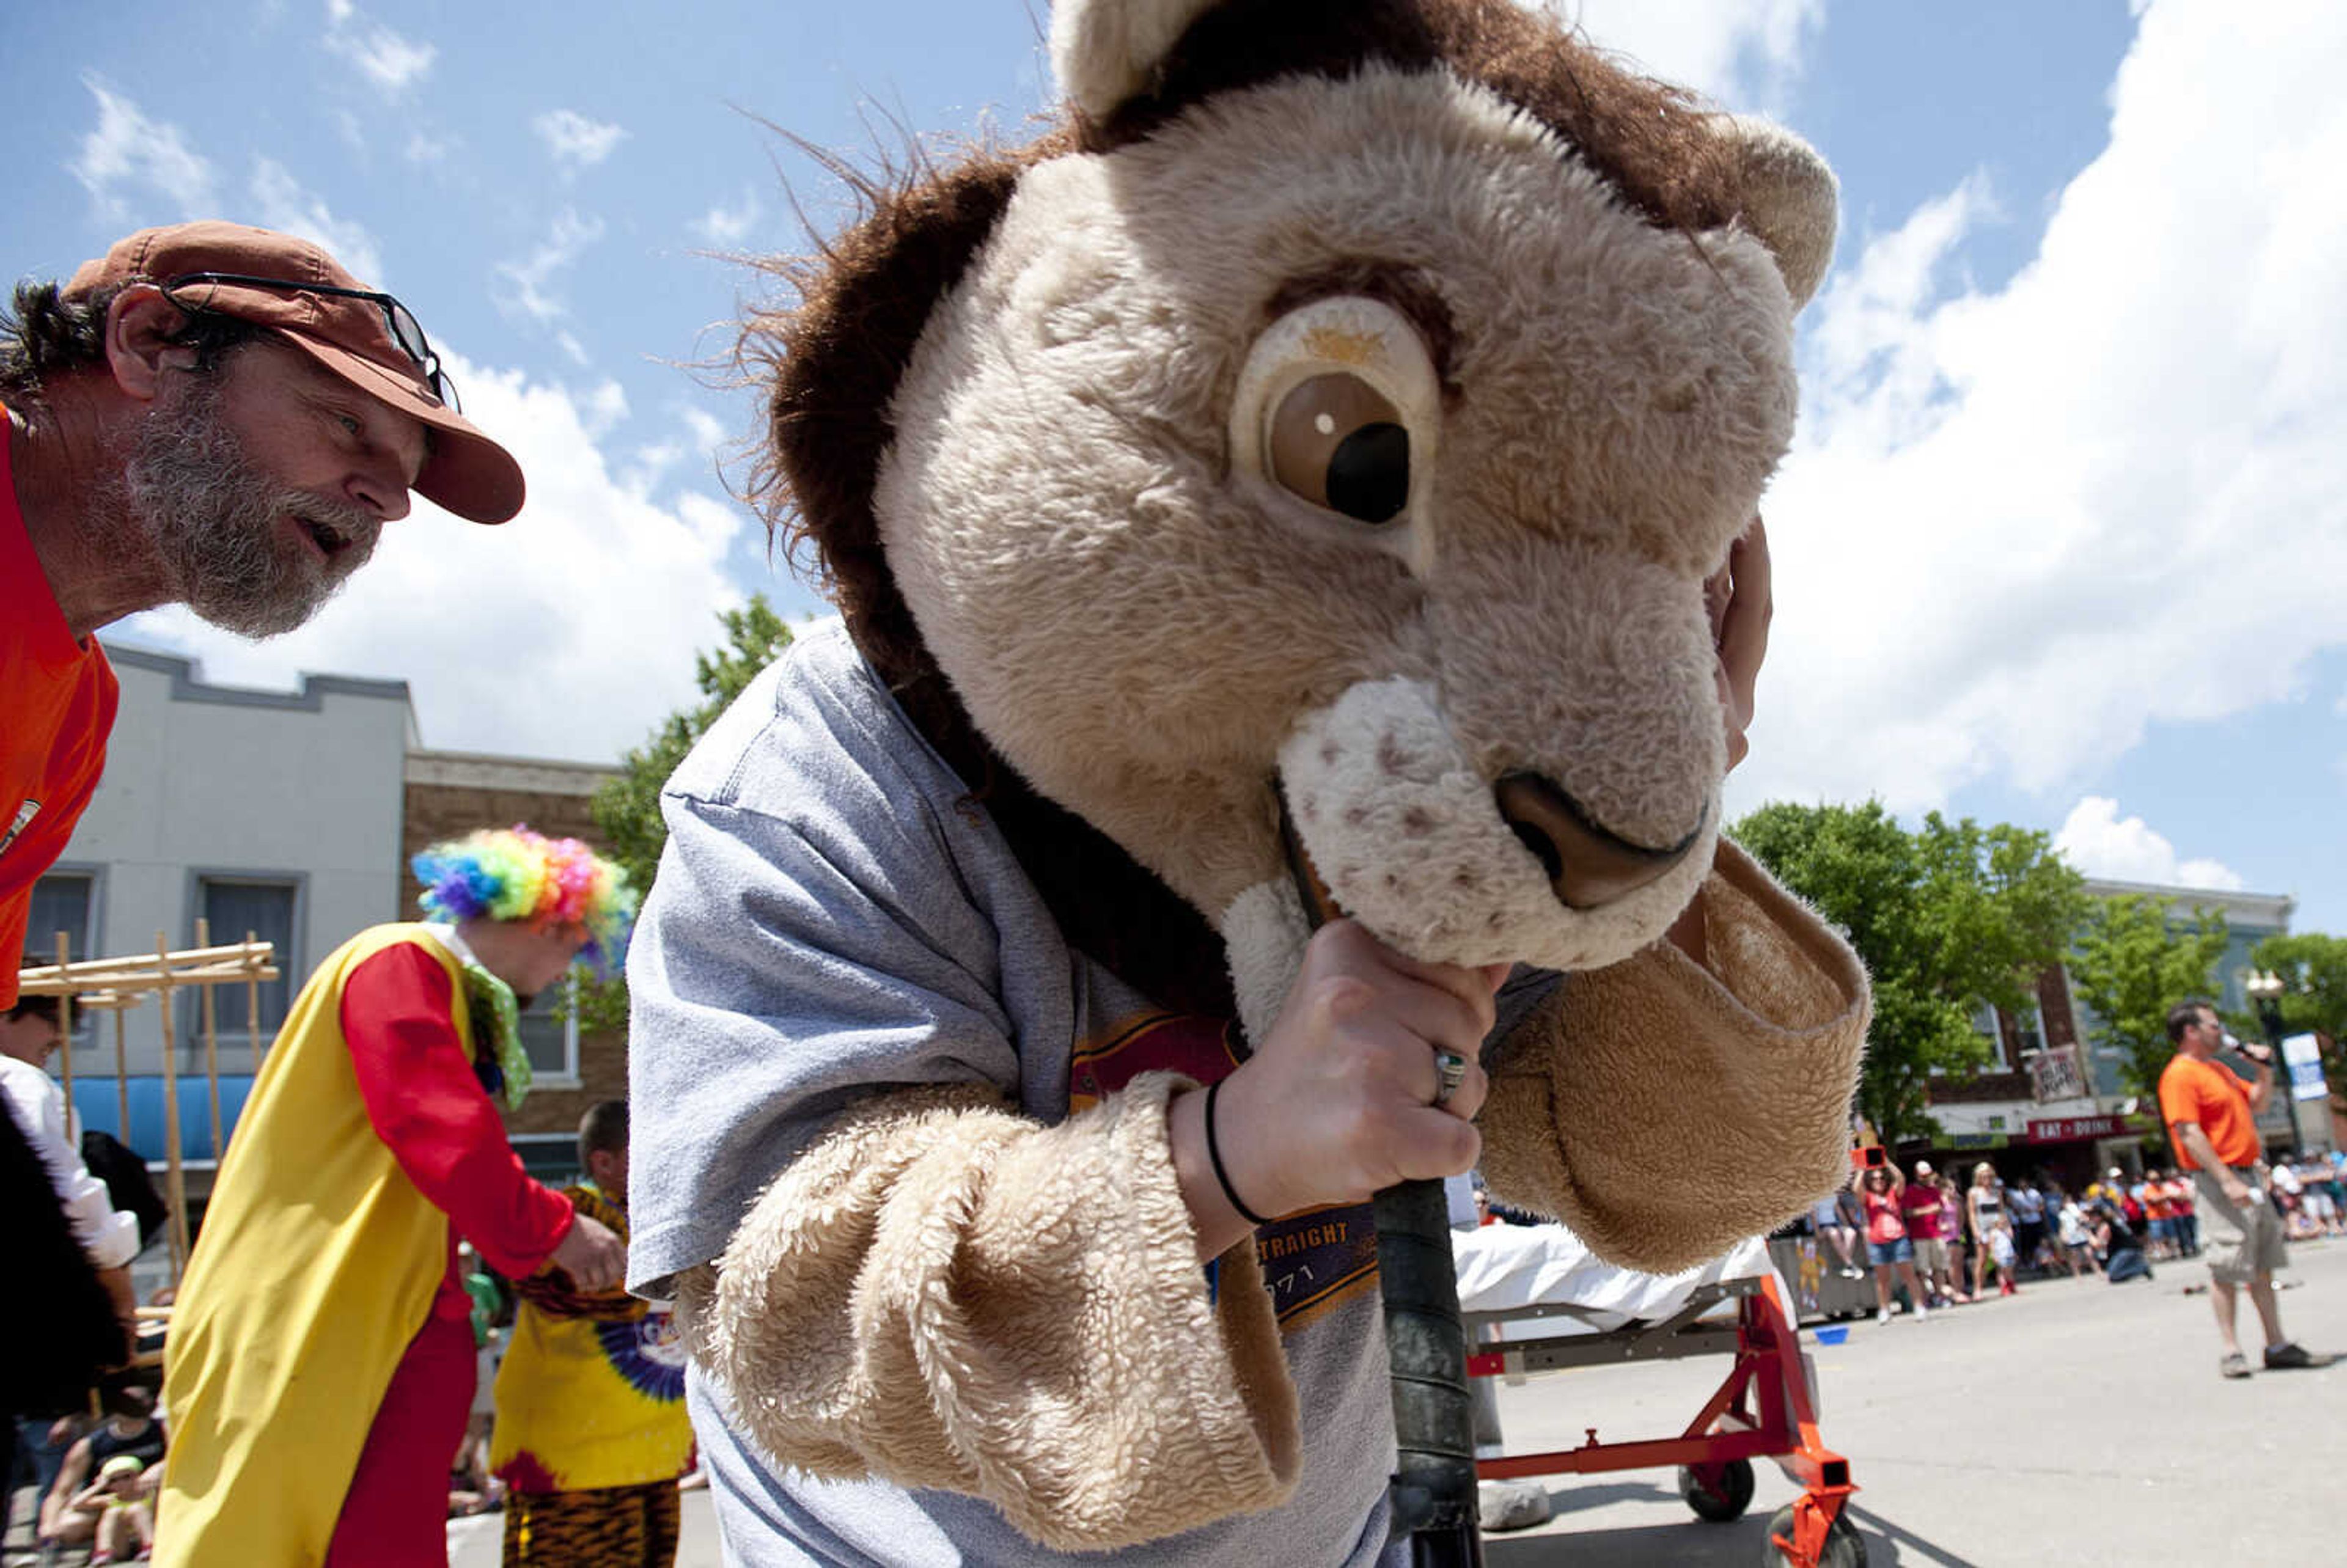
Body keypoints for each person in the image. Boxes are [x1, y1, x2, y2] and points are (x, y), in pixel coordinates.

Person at [1, 221, 525, 1015]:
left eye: (406, 478)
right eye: (347, 423)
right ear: (149, 342)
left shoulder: (77, 715)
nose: (390, 502)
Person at [155, 827, 634, 1566]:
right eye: (574, 951)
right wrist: (555, 1228)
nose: (567, 973)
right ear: (550, 921)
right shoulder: (399, 959)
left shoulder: (427, 976)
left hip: (366, 1303)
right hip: (307, 1301)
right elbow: (433, 1119)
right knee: (260, 1531)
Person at [489, 1101, 694, 1567]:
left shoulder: (663, 1219)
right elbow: (601, 1292)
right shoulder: (572, 1220)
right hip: (574, 1468)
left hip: (652, 1457)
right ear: (604, 1162)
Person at [2155, 998, 2330, 1379]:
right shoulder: (2180, 1075)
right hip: (2221, 1179)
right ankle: (2231, 1350)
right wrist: (2226, 1179)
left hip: (2248, 1173)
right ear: (2191, 1032)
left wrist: (2262, 1071)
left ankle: (2276, 1343)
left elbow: (2258, 1104)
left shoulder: (2218, 1069)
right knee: (2226, 1265)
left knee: (2263, 1264)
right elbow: (2188, 1131)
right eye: (2213, 1025)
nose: (2220, 1031)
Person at [39, 1385, 166, 1558]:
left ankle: (146, 1539)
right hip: (109, 1502)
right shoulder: (91, 1444)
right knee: (69, 1526)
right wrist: (48, 1525)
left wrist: (161, 1467)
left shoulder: (161, 1431)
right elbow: (60, 1492)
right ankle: (115, 1542)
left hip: (150, 1498)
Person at [1856, 1162, 1930, 1324]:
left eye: (1882, 1178)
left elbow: (1900, 1179)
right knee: (1883, 1280)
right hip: (1877, 1241)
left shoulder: (1892, 1194)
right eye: (1875, 1179)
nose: (1879, 1181)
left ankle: (1919, 1306)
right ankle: (1884, 1309)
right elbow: (1856, 1189)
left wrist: (1886, 1162)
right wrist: (1862, 1169)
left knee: (1909, 1276)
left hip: (1898, 1239)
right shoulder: (1868, 1197)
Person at [1900, 1161, 1953, 1305]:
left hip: (1936, 1234)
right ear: (1917, 1176)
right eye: (1923, 1176)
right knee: (1922, 1270)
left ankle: (1940, 1296)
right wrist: (1928, 1210)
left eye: (1928, 1175)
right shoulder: (1910, 1191)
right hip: (1919, 1236)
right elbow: (1907, 1213)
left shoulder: (1934, 1190)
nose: (1926, 1178)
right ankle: (1924, 1299)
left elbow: (1940, 1209)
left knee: (1939, 1268)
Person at [1966, 1164, 2016, 1299]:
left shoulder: (1996, 1192)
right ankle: (1978, 1289)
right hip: (1982, 1228)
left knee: (2000, 1258)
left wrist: (2008, 1227)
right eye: (1983, 1176)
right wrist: (1975, 1230)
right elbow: (1971, 1213)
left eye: (1988, 1176)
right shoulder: (1973, 1192)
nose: (1986, 1178)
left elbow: (2001, 1210)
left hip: (1997, 1228)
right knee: (1982, 1260)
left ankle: (2005, 1285)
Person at [1810, 1182, 1864, 1280]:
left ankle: (1849, 1265)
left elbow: (1839, 1212)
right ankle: (1851, 1264)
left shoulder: (1833, 1196)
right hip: (1823, 1226)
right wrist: (1817, 1232)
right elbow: (1813, 1216)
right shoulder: (1814, 1198)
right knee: (1834, 1234)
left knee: (1851, 1233)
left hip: (1835, 1224)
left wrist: (1847, 1226)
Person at [2007, 1178, 2048, 1278]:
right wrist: (2021, 1210)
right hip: (2024, 1222)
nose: (2023, 1186)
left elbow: (2042, 1206)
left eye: (2024, 1184)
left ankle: (2038, 1261)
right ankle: (2029, 1262)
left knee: (2038, 1243)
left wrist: (2034, 1210)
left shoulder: (2035, 1193)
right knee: (2027, 1244)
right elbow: (2012, 1207)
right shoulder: (2016, 1195)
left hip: (2036, 1221)